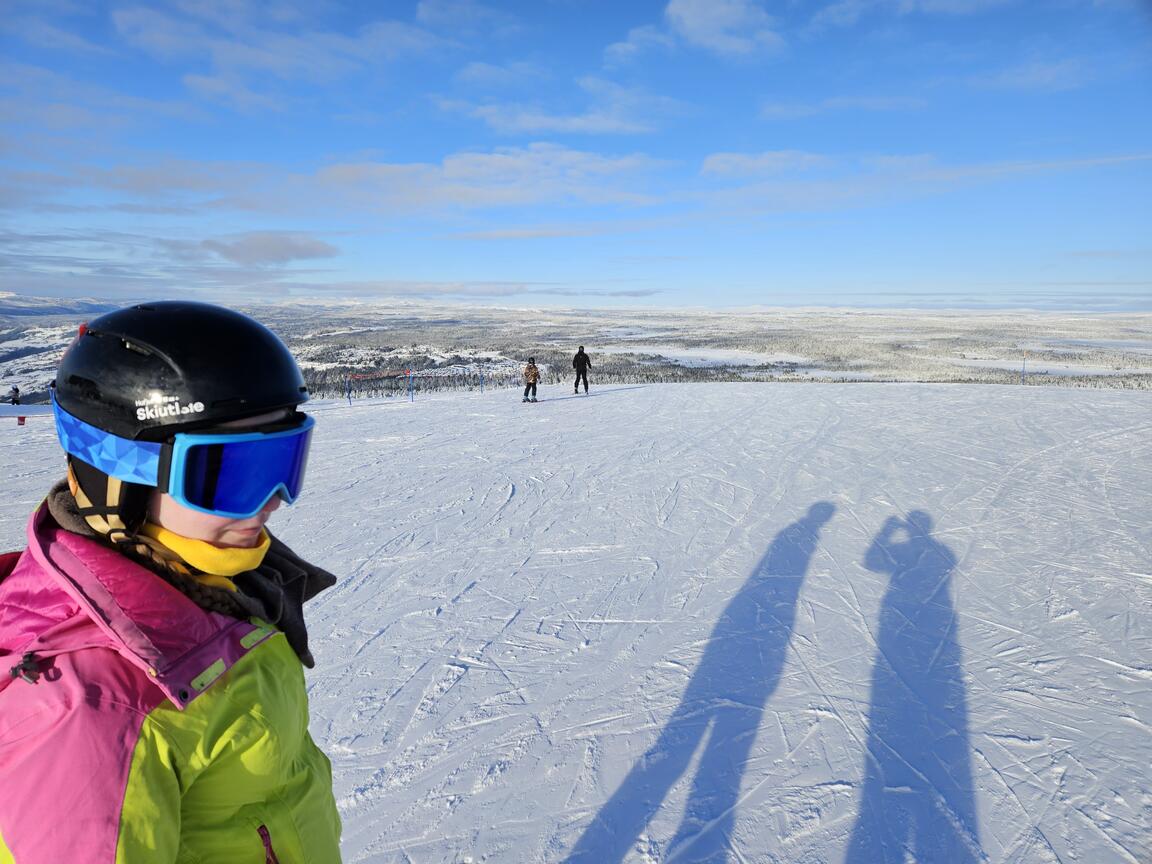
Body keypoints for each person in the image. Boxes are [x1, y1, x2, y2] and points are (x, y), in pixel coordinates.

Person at [0, 302, 342, 862]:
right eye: (231, 474)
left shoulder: (213, 584)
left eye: (285, 459)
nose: (273, 500)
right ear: (117, 477)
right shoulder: (91, 706)